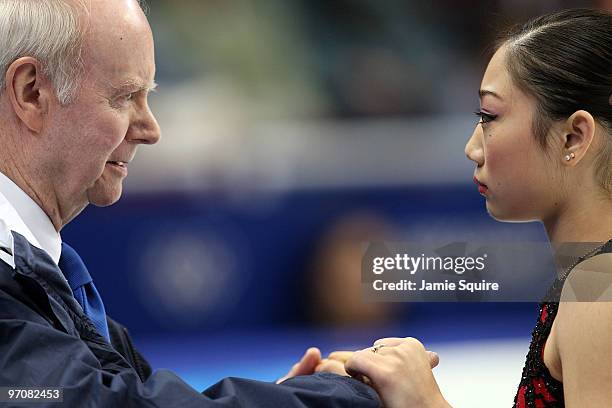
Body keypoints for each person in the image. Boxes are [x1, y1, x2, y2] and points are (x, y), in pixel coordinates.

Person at [0, 0, 391, 406]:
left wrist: (288, 397)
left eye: (146, 96)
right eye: (125, 96)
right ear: (32, 92)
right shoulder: (12, 277)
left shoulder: (38, 274)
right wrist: (345, 396)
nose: (151, 130)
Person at [298, 8, 612, 408]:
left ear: (572, 136)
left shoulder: (599, 289)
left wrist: (423, 400)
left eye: (489, 116)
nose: (472, 148)